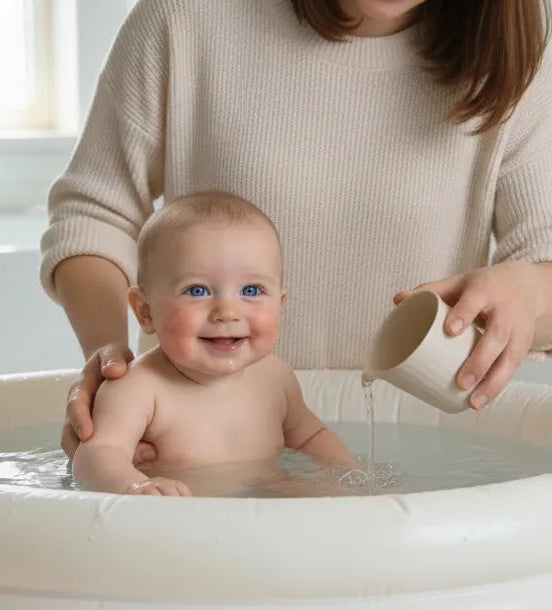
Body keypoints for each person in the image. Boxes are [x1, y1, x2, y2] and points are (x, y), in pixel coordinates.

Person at [41, 0, 552, 464]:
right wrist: (109, 366)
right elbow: (94, 215)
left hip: (428, 459)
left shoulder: (523, 46)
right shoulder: (184, 17)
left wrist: (528, 292)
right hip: (192, 452)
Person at [72, 191, 359, 496]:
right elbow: (95, 456)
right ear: (145, 311)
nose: (227, 312)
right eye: (197, 291)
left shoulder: (275, 378)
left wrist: (346, 472)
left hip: (265, 512)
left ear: (280, 302)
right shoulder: (138, 388)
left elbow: (311, 436)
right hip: (180, 524)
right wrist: (136, 484)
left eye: (251, 289)